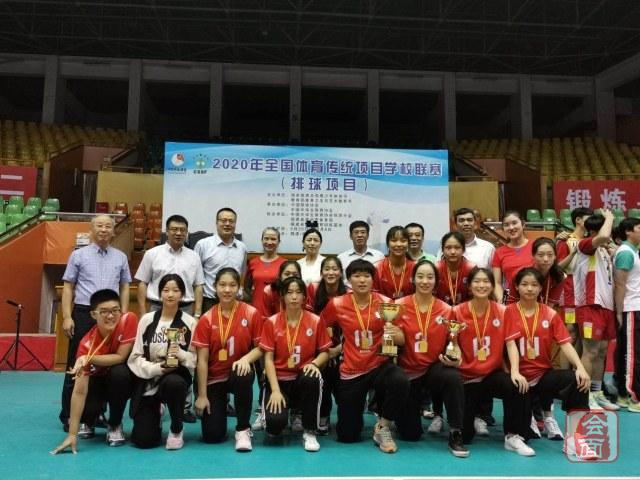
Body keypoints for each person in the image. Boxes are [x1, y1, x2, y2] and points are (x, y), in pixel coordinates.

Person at [320, 259, 409, 453]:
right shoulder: (337, 304)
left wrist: (394, 333)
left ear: (373, 279)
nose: (362, 280)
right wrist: (333, 348)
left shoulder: (386, 303)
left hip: (379, 365)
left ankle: (383, 427)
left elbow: (402, 340)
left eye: (366, 276)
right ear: (348, 280)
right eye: (357, 276)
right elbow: (322, 327)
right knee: (347, 436)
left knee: (400, 380)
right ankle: (357, 417)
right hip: (352, 369)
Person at [59, 214, 132, 431]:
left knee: (106, 365)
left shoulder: (120, 257)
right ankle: (69, 416)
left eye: (108, 226)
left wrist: (123, 314)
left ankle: (96, 413)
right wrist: (67, 317)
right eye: (99, 225)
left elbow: (125, 286)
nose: (104, 229)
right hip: (84, 313)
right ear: (91, 229)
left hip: (111, 316)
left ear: (113, 231)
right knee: (77, 363)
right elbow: (68, 286)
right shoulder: (78, 255)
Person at [453, 267, 534, 456]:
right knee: (466, 437)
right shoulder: (456, 312)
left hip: (491, 376)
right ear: (469, 286)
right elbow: (452, 343)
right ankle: (470, 421)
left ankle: (513, 436)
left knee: (517, 384)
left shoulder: (503, 311)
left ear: (492, 286)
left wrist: (515, 371)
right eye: (476, 281)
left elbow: (511, 344)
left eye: (486, 282)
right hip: (466, 378)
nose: (481, 285)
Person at [505, 268, 590, 443]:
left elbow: (565, 344)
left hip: (543, 376)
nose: (530, 289)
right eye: (524, 284)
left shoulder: (550, 314)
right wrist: (514, 371)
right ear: (517, 287)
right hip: (518, 377)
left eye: (534, 285)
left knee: (578, 380)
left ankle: (576, 437)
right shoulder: (508, 312)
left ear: (540, 288)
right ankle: (529, 418)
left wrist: (580, 368)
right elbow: (510, 344)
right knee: (526, 436)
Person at [394, 260, 468, 457]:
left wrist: (456, 357)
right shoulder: (399, 306)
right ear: (412, 279)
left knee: (452, 375)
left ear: (436, 281)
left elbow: (453, 342)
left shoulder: (446, 310)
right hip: (407, 374)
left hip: (432, 369)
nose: (425, 281)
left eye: (430, 277)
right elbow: (393, 340)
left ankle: (456, 432)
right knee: (410, 435)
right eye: (420, 276)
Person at [51, 289, 137, 454]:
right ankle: (89, 420)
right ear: (93, 314)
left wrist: (89, 359)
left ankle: (115, 423)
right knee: (86, 410)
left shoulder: (128, 320)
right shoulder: (86, 345)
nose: (110, 316)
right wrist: (72, 434)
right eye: (104, 312)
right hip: (97, 383)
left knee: (119, 373)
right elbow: (79, 392)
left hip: (124, 380)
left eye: (115, 310)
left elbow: (120, 357)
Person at [192, 268, 263, 451]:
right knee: (212, 436)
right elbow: (201, 361)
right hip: (214, 377)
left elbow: (261, 348)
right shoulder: (206, 319)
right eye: (222, 285)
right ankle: (219, 405)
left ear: (239, 288)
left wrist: (246, 359)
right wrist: (202, 396)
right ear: (215, 287)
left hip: (237, 373)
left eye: (232, 285)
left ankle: (243, 429)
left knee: (243, 373)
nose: (227, 290)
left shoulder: (251, 313)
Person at [260, 277, 331, 451]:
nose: (294, 297)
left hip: (302, 379)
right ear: (282, 296)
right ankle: (281, 415)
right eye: (289, 292)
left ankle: (310, 431)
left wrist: (314, 364)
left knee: (312, 376)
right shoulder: (271, 322)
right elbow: (268, 359)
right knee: (274, 427)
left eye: (298, 292)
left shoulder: (315, 321)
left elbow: (325, 352)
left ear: (304, 297)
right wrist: (275, 391)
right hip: (280, 381)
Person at [127, 274, 197, 450]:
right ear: (159, 294)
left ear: (182, 295)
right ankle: (156, 410)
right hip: (150, 380)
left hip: (175, 378)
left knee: (174, 383)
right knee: (143, 440)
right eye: (166, 290)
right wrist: (157, 368)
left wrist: (180, 354)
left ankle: (176, 428)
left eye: (175, 290)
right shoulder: (147, 320)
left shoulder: (190, 323)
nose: (170, 294)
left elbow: (195, 360)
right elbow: (134, 358)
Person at [573, 210, 620, 411]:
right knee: (590, 351)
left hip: (606, 307)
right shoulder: (585, 245)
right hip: (590, 305)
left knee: (601, 352)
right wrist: (610, 218)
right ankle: (584, 396)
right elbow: (604, 235)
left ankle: (596, 393)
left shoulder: (604, 250)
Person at [307, 256, 348, 434]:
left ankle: (345, 414)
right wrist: (324, 351)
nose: (331, 272)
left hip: (344, 347)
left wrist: (337, 350)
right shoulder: (313, 289)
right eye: (327, 269)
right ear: (321, 272)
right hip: (317, 345)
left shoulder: (348, 294)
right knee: (324, 372)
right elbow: (308, 321)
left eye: (335, 269)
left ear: (341, 273)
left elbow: (353, 328)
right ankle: (323, 414)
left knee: (339, 372)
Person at [135, 214, 204, 318]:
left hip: (185, 309)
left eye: (182, 230)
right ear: (167, 231)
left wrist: (197, 314)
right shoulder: (152, 254)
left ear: (187, 233)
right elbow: (142, 283)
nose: (179, 233)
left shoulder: (194, 256)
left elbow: (198, 286)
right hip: (157, 307)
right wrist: (142, 312)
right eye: (174, 229)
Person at [195, 207, 247, 312]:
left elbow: (242, 273)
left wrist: (240, 290)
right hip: (210, 301)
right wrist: (197, 310)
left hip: (234, 301)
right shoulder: (203, 245)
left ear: (235, 224)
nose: (227, 224)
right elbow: (196, 277)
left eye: (231, 221)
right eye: (223, 220)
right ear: (216, 222)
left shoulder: (242, 247)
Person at [556, 207, 592, 356]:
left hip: (587, 290)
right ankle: (565, 370)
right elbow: (558, 267)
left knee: (583, 333)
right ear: (578, 220)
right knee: (571, 331)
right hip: (570, 290)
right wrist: (572, 254)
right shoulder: (566, 240)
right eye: (588, 219)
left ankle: (579, 368)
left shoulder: (591, 242)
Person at [613, 217, 640, 411]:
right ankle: (633, 397)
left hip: (634, 308)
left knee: (628, 352)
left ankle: (623, 394)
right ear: (628, 231)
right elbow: (620, 284)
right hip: (630, 308)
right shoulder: (625, 252)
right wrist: (619, 312)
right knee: (632, 354)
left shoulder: (633, 251)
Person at [492, 211, 532, 304]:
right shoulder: (499, 252)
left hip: (533, 297)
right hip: (509, 300)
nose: (511, 228)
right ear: (503, 229)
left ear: (523, 224)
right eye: (506, 225)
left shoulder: (535, 246)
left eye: (514, 223)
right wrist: (502, 301)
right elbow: (496, 282)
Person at [245, 227, 286, 315]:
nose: (269, 242)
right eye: (266, 238)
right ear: (262, 240)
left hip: (277, 312)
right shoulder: (253, 262)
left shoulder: (284, 264)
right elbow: (247, 287)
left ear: (279, 242)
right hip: (256, 310)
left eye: (273, 239)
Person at [374, 226, 416, 299]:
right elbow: (373, 296)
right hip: (382, 306)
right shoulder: (377, 268)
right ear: (388, 244)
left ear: (408, 244)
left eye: (403, 241)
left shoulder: (416, 268)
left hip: (410, 306)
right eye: (394, 240)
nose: (398, 244)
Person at [435, 232, 476, 306]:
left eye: (457, 248)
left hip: (467, 310)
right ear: (442, 250)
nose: (453, 252)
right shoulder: (435, 268)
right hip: (440, 310)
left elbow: (476, 295)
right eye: (448, 248)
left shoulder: (472, 268)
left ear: (463, 250)